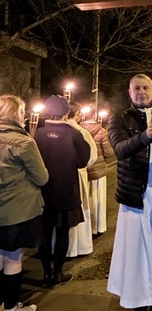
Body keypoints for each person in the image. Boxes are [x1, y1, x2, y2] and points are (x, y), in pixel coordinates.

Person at [107, 74, 152, 311]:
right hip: (134, 198)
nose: (141, 92)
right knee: (136, 257)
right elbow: (120, 149)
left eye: (145, 87)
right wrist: (145, 136)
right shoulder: (119, 118)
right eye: (136, 88)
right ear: (130, 92)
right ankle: (138, 307)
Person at [0, 94, 48, 311]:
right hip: (15, 211)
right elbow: (42, 176)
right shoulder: (24, 142)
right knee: (13, 259)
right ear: (17, 114)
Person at [34, 95, 91, 287]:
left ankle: (46, 273)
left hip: (43, 191)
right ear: (66, 112)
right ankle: (58, 273)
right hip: (67, 189)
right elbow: (83, 161)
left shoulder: (38, 134)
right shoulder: (74, 133)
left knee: (45, 232)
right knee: (63, 232)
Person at [66, 101, 98, 257]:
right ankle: (79, 247)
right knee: (80, 209)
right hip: (78, 174)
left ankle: (60, 248)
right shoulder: (81, 132)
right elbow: (92, 157)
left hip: (57, 176)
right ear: (77, 114)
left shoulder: (52, 130)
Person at [81, 117, 114, 235]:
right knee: (98, 199)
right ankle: (98, 227)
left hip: (84, 170)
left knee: (85, 200)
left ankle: (86, 227)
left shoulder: (79, 129)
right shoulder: (102, 131)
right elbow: (109, 152)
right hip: (98, 170)